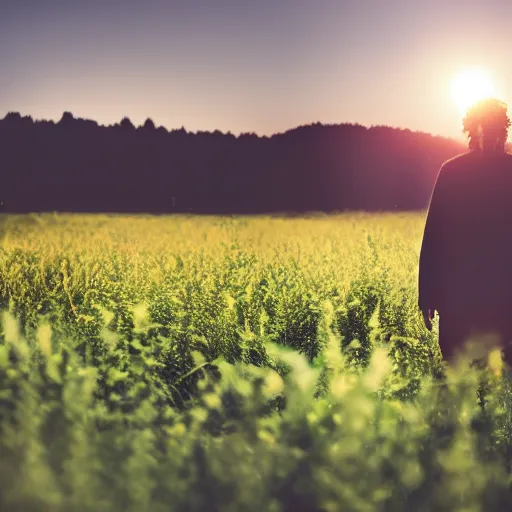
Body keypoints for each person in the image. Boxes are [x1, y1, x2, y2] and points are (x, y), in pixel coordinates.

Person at [418, 98, 512, 365]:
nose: (492, 136)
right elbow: (435, 234)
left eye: (497, 130)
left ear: (503, 132)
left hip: (503, 297)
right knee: (461, 377)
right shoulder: (452, 171)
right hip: (460, 298)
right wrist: (427, 294)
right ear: (474, 130)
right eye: (486, 129)